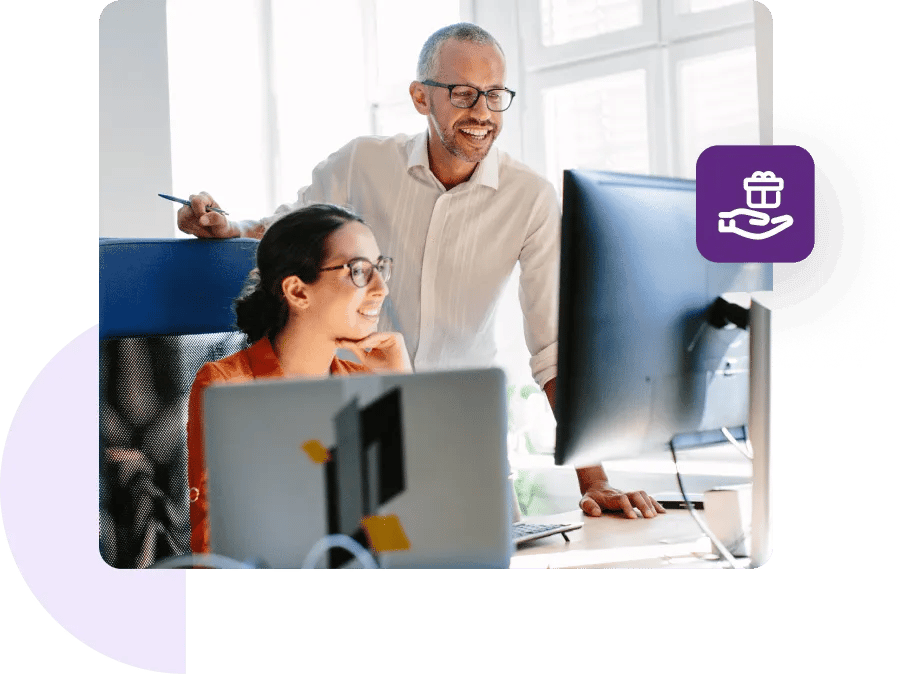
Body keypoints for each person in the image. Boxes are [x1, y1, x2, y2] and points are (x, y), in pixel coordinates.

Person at [178, 23, 665, 520]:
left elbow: (554, 350)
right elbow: (288, 230)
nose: (482, 113)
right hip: (355, 437)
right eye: (463, 93)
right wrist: (226, 226)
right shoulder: (361, 164)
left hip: (463, 446)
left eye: (495, 96)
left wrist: (595, 479)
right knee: (376, 554)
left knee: (481, 567)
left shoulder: (530, 198)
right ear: (420, 97)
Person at [186, 204, 411, 553]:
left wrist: (400, 386)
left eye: (381, 269)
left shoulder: (362, 382)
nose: (381, 288)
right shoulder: (228, 385)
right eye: (360, 271)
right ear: (298, 292)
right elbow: (217, 546)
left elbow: (394, 528)